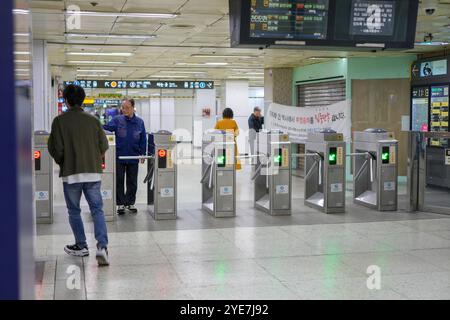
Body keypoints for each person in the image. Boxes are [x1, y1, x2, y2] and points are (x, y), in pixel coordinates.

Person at [48, 84, 110, 266]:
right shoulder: (93, 120)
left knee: (74, 211)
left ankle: (82, 246)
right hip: (93, 174)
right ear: (82, 100)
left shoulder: (59, 121)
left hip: (72, 173)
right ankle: (102, 247)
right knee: (97, 210)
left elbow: (55, 148)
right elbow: (104, 145)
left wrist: (64, 162)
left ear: (66, 100)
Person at [103, 98, 147, 215]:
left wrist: (142, 153)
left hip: (133, 156)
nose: (124, 110)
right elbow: (106, 128)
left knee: (132, 181)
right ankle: (120, 204)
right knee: (119, 180)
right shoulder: (117, 120)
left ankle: (130, 203)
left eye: (127, 107)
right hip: (119, 156)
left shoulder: (140, 122)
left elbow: (143, 139)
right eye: (123, 108)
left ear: (133, 108)